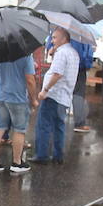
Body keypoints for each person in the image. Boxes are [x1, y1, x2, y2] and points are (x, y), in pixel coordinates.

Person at [0, 53, 37, 175]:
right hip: (17, 98)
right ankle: (17, 163)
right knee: (19, 130)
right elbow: (30, 80)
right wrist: (33, 99)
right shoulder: (25, 54)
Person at [34, 28, 80, 164]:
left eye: (54, 38)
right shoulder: (73, 53)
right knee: (59, 126)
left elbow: (57, 73)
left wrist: (45, 90)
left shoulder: (62, 53)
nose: (52, 41)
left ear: (63, 39)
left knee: (44, 125)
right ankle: (58, 155)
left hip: (54, 94)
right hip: (65, 95)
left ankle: (41, 155)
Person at [70, 36, 95, 132]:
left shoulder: (60, 28)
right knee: (78, 94)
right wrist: (88, 65)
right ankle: (79, 123)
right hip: (80, 67)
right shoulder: (82, 33)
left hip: (64, 65)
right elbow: (88, 52)